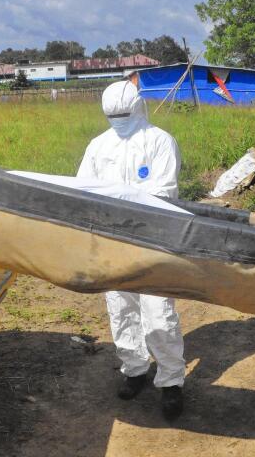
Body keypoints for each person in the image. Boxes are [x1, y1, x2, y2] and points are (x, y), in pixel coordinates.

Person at [77, 73, 187, 420]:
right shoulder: (98, 146)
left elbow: (164, 190)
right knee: (121, 307)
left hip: (152, 238)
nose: (120, 124)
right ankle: (134, 369)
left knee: (158, 312)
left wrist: (125, 203)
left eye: (124, 116)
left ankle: (171, 383)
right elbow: (83, 189)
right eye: (114, 118)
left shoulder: (160, 141)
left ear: (139, 109)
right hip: (112, 241)